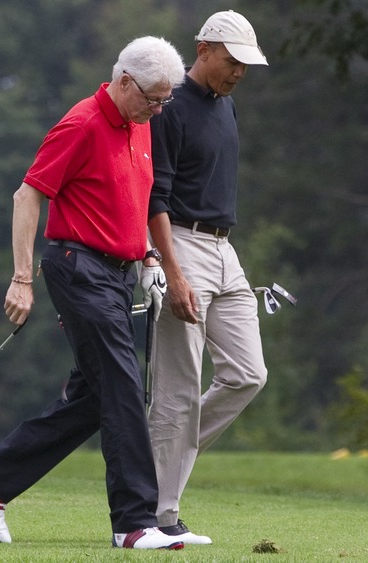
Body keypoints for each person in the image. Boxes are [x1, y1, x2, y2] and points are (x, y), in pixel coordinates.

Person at [0, 36, 186, 550]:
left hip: (118, 273)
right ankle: (133, 524)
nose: (157, 109)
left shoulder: (140, 126)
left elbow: (131, 202)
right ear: (124, 81)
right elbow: (27, 194)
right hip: (76, 267)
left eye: (164, 101)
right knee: (127, 389)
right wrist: (20, 278)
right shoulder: (81, 123)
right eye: (151, 98)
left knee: (95, 397)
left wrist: (148, 255)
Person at [144, 10, 269, 546]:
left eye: (245, 64)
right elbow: (155, 198)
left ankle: (151, 462)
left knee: (248, 374)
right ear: (203, 49)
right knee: (177, 390)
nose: (238, 71)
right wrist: (170, 272)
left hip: (224, 248)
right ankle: (156, 516)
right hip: (180, 244)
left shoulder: (228, 107)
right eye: (231, 60)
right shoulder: (169, 108)